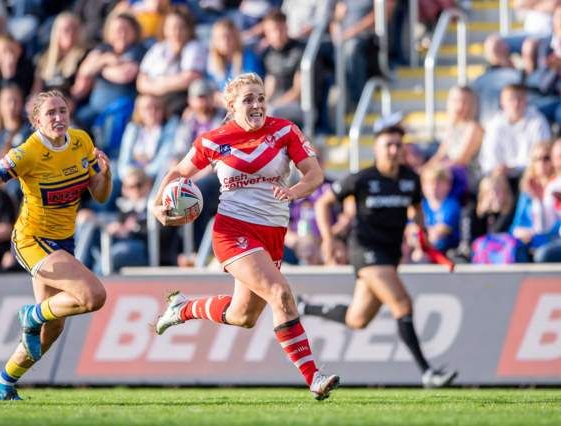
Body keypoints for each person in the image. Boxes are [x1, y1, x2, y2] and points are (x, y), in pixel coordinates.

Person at [152, 73, 339, 401]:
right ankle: (314, 377)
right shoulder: (213, 140)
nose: (257, 105)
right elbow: (178, 173)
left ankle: (183, 308)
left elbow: (315, 174)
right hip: (232, 231)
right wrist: (157, 205)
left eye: (261, 98)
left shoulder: (284, 131)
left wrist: (294, 191)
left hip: (273, 233)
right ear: (231, 105)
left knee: (244, 316)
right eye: (248, 99)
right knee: (280, 294)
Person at [0, 90, 113, 400]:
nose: (59, 117)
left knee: (53, 329)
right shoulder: (27, 153)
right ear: (36, 122)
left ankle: (3, 384)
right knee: (94, 295)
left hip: (63, 242)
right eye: (51, 113)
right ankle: (31, 315)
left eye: (63, 110)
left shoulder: (81, 142)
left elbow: (100, 194)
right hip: (32, 240)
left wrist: (106, 173)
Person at [299, 125, 458, 388]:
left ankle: (305, 306)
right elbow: (323, 203)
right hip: (365, 250)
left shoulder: (410, 178)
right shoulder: (361, 178)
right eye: (388, 145)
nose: (394, 150)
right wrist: (328, 238)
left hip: (391, 253)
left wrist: (421, 233)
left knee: (357, 319)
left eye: (398, 145)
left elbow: (417, 209)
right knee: (403, 304)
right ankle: (428, 373)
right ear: (377, 149)